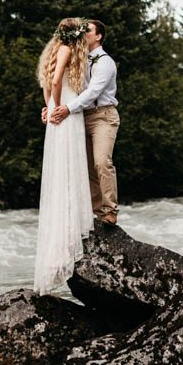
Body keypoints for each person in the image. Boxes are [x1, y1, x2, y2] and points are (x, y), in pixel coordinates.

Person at [33, 18, 94, 295]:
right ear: (77, 36)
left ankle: (67, 230)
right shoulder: (68, 50)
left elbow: (47, 81)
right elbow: (56, 80)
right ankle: (70, 234)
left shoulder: (54, 50)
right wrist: (58, 107)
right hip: (66, 114)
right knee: (68, 167)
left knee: (62, 168)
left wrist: (48, 104)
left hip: (61, 112)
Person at [51, 19, 120, 226]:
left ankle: (110, 210)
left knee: (102, 162)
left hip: (103, 116)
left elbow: (93, 92)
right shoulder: (79, 59)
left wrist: (67, 108)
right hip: (82, 117)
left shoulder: (105, 61)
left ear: (98, 36)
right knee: (88, 166)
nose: (83, 33)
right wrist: (52, 105)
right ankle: (98, 213)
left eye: (87, 30)